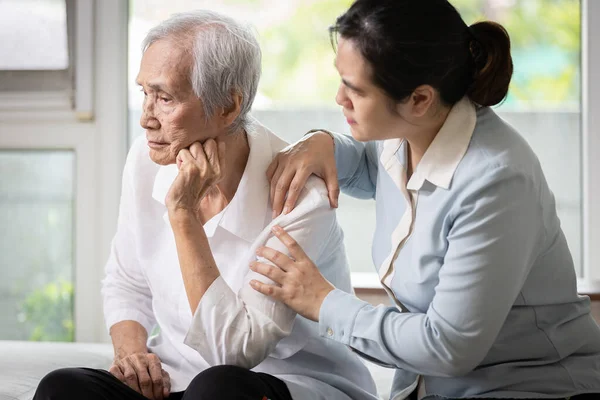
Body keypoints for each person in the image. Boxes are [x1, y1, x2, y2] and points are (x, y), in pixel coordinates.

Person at [249, 1, 600, 399]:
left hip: (531, 386)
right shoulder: (409, 133)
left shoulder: (497, 182)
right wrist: (325, 144)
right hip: (431, 387)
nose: (338, 99)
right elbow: (374, 169)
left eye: (355, 90)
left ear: (419, 99)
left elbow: (447, 346)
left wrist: (323, 301)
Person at [32, 10, 378, 400]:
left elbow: (234, 353)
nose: (147, 118)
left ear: (228, 107)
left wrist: (183, 216)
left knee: (218, 389)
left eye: (164, 98)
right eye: (144, 93)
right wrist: (133, 357)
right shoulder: (146, 159)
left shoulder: (300, 198)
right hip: (178, 380)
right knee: (61, 388)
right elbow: (126, 282)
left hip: (285, 383)